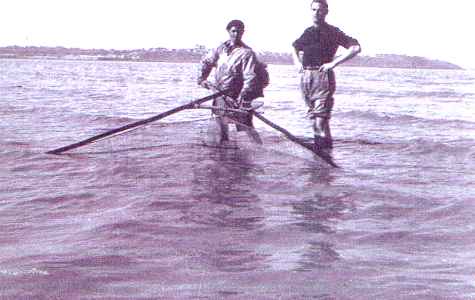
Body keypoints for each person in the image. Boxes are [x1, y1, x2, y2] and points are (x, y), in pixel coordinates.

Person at [293, 0, 361, 150]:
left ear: (326, 12)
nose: (317, 13)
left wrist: (333, 63)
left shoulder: (332, 31)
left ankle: (321, 156)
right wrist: (297, 63)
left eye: (320, 10)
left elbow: (355, 48)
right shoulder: (308, 31)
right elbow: (295, 47)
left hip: (322, 77)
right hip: (306, 78)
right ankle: (326, 156)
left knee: (319, 122)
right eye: (314, 10)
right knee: (316, 120)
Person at [197, 19, 263, 145]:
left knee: (246, 127)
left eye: (239, 31)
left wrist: (243, 97)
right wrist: (201, 79)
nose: (236, 34)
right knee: (221, 126)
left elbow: (250, 77)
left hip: (237, 96)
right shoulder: (220, 49)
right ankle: (224, 151)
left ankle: (259, 149)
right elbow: (206, 62)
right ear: (228, 32)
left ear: (243, 32)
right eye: (233, 31)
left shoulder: (247, 53)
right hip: (219, 94)